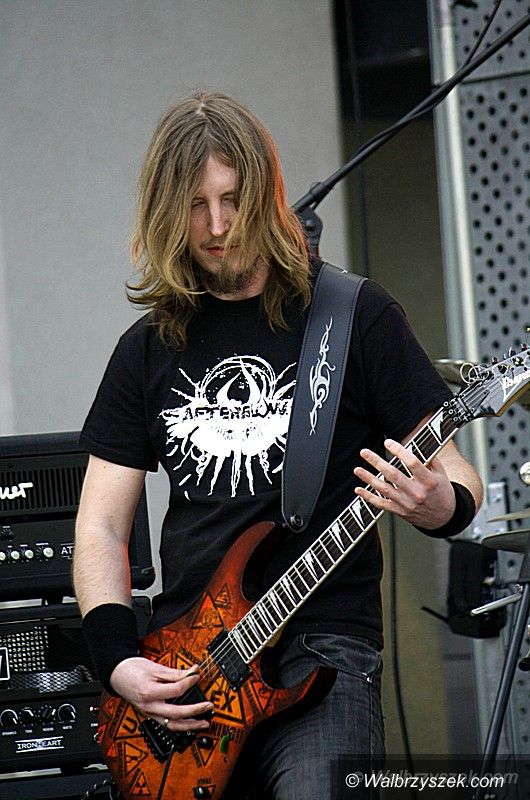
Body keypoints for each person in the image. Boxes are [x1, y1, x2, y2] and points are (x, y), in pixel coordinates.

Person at [73, 91, 483, 799]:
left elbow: (458, 476)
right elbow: (101, 526)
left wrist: (439, 504)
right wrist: (118, 661)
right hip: (189, 669)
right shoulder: (148, 347)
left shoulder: (354, 316)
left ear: (265, 194)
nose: (218, 225)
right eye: (196, 206)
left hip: (322, 652)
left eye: (232, 200)